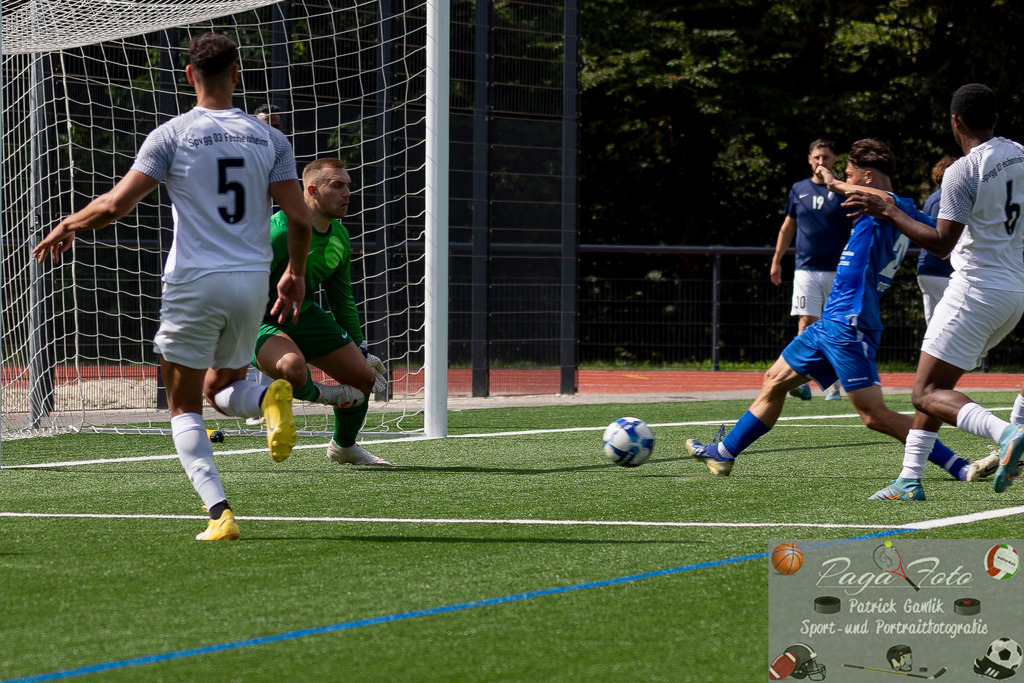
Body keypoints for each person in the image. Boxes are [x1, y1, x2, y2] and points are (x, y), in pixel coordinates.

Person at [33, 33, 313, 540]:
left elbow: (116, 206)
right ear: (236, 75)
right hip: (252, 281)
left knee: (184, 404)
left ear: (189, 75)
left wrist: (70, 223)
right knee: (222, 385)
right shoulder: (270, 139)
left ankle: (219, 514)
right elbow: (298, 217)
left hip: (193, 281)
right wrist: (294, 272)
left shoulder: (172, 135)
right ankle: (268, 399)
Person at [686, 139, 995, 485]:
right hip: (832, 320)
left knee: (875, 415)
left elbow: (895, 207)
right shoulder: (894, 209)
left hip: (851, 322)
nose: (843, 187)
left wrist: (832, 182)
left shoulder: (888, 204)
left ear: (865, 177)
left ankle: (959, 465)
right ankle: (724, 453)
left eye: (850, 177)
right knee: (774, 381)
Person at [843, 84, 1024, 499]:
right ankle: (909, 479)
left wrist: (888, 210)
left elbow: (941, 243)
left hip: (975, 290)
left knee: (923, 393)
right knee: (937, 391)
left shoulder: (964, 169)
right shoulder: (1019, 153)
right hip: (1013, 293)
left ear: (955, 121)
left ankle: (1006, 432)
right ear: (995, 120)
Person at [253, 157, 391, 467]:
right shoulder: (277, 234)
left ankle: (344, 447)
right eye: (338, 185)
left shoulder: (340, 237)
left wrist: (361, 346)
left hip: (302, 313)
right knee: (291, 366)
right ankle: (325, 396)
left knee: (363, 379)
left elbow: (341, 297)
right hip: (253, 318)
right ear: (312, 190)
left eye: (349, 186)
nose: (347, 193)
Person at [771, 139, 850, 401]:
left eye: (826, 157)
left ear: (834, 160)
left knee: (835, 326)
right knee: (806, 321)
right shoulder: (798, 189)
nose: (821, 162)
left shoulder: (843, 190)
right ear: (809, 159)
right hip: (806, 268)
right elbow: (787, 227)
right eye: (817, 157)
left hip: (839, 270)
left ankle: (834, 384)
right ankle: (800, 380)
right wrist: (777, 260)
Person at [916, 156, 956, 324]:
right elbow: (938, 235)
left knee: (934, 326)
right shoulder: (943, 199)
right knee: (952, 322)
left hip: (927, 270)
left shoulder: (934, 197)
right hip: (940, 270)